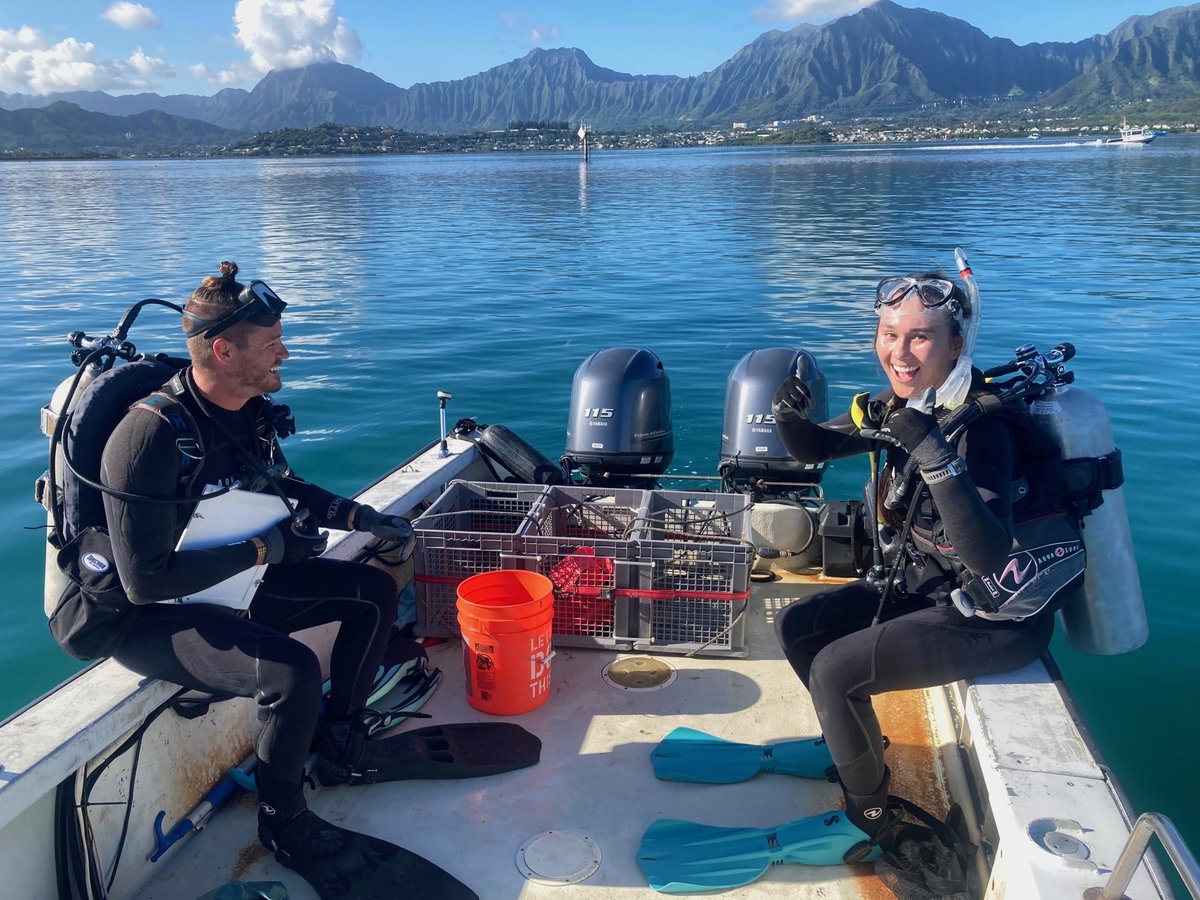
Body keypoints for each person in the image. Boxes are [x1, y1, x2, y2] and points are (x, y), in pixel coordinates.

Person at [91, 262, 476, 898]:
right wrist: (263, 549)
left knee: (373, 592)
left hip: (227, 580)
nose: (285, 353)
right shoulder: (150, 436)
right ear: (222, 349)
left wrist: (358, 516)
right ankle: (284, 821)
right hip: (144, 613)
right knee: (290, 672)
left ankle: (343, 742)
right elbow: (143, 582)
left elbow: (283, 485)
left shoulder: (247, 411)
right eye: (271, 344)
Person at [770, 271, 1057, 852]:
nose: (899, 354)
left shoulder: (985, 427)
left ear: (957, 345)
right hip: (928, 585)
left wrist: (932, 450)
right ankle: (859, 754)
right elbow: (817, 450)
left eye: (920, 337)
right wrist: (789, 418)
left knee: (836, 669)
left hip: (995, 615)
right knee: (797, 626)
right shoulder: (904, 400)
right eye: (888, 333)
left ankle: (872, 816)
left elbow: (989, 554)